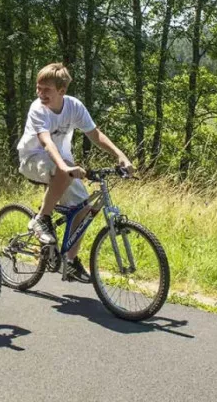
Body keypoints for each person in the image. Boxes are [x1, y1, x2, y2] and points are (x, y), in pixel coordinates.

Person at [17, 62, 133, 283]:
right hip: (32, 158)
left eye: (46, 89)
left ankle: (69, 262)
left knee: (83, 209)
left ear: (62, 91)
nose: (40, 93)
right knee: (62, 170)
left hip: (61, 162)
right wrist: (65, 166)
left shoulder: (74, 106)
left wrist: (120, 155)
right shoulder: (38, 108)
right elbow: (46, 141)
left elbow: (94, 133)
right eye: (38, 88)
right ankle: (41, 219)